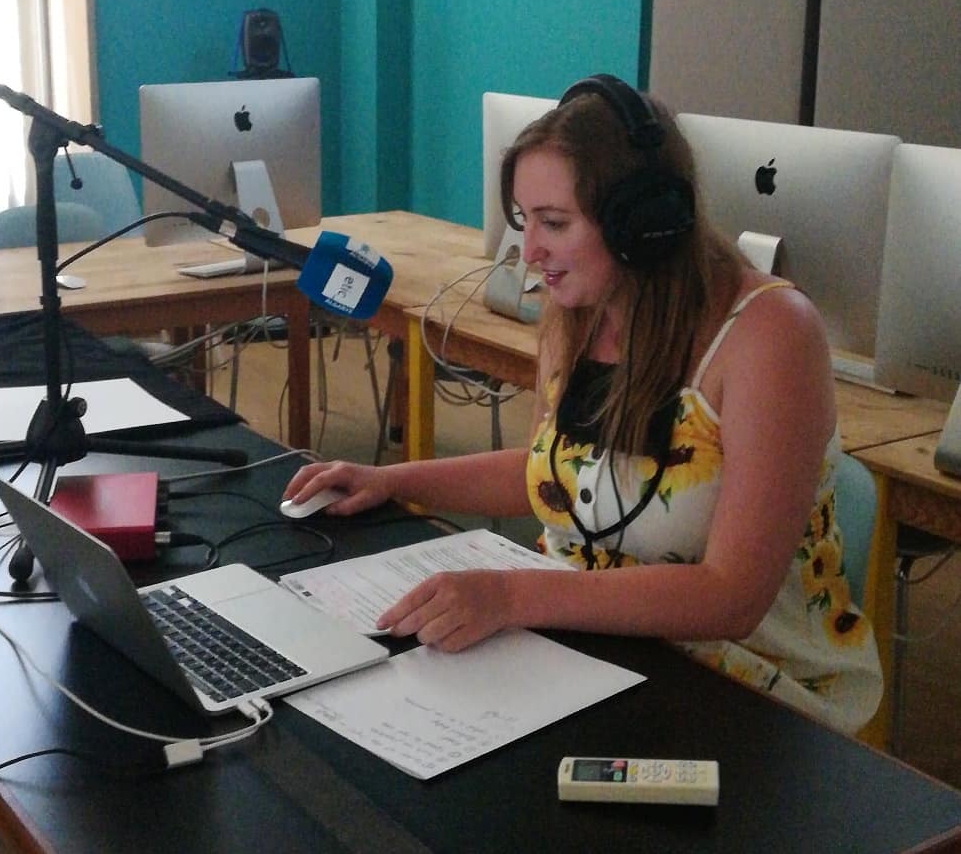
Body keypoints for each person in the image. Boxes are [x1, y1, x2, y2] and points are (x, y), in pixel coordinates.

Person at [283, 74, 883, 734]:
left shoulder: (770, 333)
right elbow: (551, 471)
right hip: (590, 652)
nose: (529, 251)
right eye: (525, 221)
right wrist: (394, 481)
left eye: (554, 223)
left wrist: (511, 594)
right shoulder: (577, 312)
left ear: (642, 223)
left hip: (749, 692)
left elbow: (732, 597)